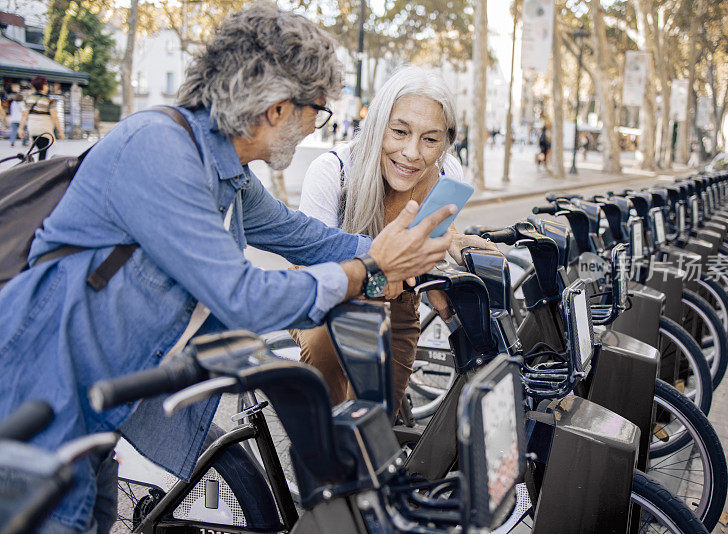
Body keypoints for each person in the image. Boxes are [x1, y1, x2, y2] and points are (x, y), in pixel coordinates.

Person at [0, 5, 454, 533]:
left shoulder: (229, 175)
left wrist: (407, 254)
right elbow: (241, 295)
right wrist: (366, 269)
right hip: (34, 404)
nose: (315, 128)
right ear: (279, 109)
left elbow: (307, 238)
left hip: (97, 414)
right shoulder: (159, 150)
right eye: (317, 113)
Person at [295, 66, 496, 414]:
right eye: (400, 131)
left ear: (446, 142)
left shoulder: (447, 174)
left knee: (379, 426)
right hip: (325, 300)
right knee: (335, 423)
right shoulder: (333, 171)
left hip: (397, 303)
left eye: (431, 139)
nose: (412, 152)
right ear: (376, 126)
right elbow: (317, 271)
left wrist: (452, 243)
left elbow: (429, 240)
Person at [18, 76, 65, 160]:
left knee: (39, 149)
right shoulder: (48, 100)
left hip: (32, 128)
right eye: (46, 84)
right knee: (43, 152)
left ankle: (36, 166)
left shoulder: (29, 99)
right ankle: (40, 168)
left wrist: (20, 128)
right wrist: (60, 131)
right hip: (44, 128)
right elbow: (55, 117)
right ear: (43, 86)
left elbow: (24, 115)